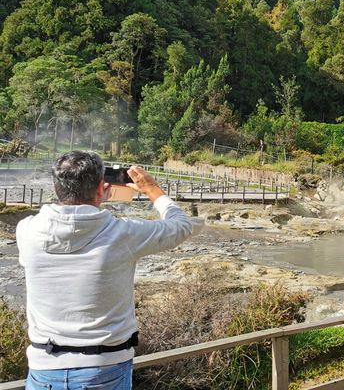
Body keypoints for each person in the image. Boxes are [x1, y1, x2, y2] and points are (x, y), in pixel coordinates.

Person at [16, 151, 205, 390]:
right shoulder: (123, 233)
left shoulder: (26, 231)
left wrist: (93, 197)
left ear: (55, 188)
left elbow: (72, 222)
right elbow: (182, 226)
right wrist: (152, 189)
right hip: (105, 368)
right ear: (101, 187)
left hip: (44, 368)